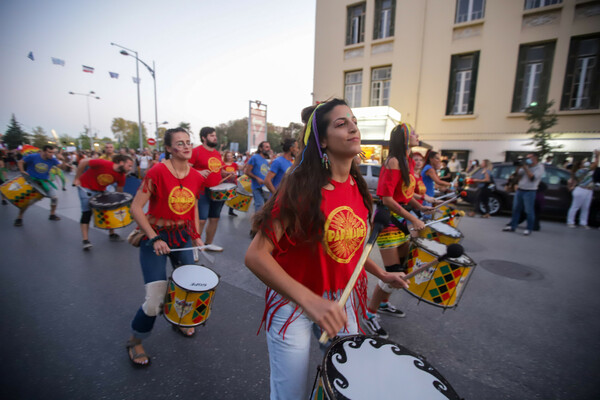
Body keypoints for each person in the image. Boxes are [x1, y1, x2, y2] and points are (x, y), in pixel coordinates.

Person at [245, 99, 409, 399]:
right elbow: (255, 256)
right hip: (291, 301)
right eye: (341, 123)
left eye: (354, 121)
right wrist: (310, 302)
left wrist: (382, 275)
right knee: (290, 394)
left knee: (351, 381)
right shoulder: (301, 187)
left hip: (340, 299)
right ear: (322, 140)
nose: (353, 127)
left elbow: (351, 248)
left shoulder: (359, 189)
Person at [126, 128, 206, 367]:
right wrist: (153, 238)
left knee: (188, 289)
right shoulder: (157, 171)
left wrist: (196, 236)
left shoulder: (195, 175)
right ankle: (135, 341)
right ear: (169, 149)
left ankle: (179, 321)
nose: (186, 146)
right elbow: (136, 208)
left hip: (182, 236)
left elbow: (192, 206)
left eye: (188, 142)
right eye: (179, 143)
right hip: (156, 236)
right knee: (155, 299)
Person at [364, 123, 432, 339]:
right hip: (388, 220)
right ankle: (369, 314)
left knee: (400, 269)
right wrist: (413, 217)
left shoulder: (407, 161)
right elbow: (387, 199)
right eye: (413, 132)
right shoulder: (393, 161)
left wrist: (419, 207)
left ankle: (383, 303)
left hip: (401, 220)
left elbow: (402, 193)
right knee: (394, 272)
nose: (417, 135)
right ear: (403, 137)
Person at [72, 154, 134, 249]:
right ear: (121, 162)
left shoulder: (121, 176)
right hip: (85, 187)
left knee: (109, 208)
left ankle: (112, 234)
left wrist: (117, 203)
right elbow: (83, 162)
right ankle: (85, 240)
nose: (130, 168)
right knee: (86, 212)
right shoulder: (103, 163)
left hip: (101, 189)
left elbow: (119, 190)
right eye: (129, 165)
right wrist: (76, 178)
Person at [189, 127, 225, 252]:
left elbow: (219, 170)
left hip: (217, 190)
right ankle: (194, 247)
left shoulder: (217, 153)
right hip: (202, 191)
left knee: (214, 218)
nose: (215, 137)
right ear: (204, 138)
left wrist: (225, 174)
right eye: (211, 135)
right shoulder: (196, 151)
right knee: (201, 219)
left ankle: (208, 244)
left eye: (215, 135)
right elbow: (185, 169)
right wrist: (198, 172)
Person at [14, 145, 61, 226]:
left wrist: (62, 159)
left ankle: (52, 214)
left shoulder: (53, 160)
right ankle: (19, 218)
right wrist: (22, 171)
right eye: (50, 152)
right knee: (27, 201)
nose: (51, 154)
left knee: (54, 198)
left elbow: (62, 167)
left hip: (44, 181)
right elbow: (20, 162)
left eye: (53, 152)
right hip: (32, 181)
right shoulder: (33, 156)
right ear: (44, 151)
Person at [503, 153, 545, 236]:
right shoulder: (525, 166)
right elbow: (518, 175)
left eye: (529, 158)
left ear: (535, 158)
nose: (527, 159)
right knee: (516, 209)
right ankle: (512, 226)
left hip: (530, 191)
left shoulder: (539, 167)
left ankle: (529, 229)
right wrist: (519, 167)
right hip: (520, 190)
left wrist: (525, 167)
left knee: (529, 211)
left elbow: (532, 178)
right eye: (527, 158)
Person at [567, 150, 598, 228]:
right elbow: (594, 165)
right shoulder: (581, 171)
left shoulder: (587, 171)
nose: (586, 163)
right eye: (584, 163)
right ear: (580, 165)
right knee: (575, 206)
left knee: (586, 207)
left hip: (589, 190)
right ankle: (570, 222)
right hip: (581, 190)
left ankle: (583, 223)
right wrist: (597, 156)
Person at [244, 141, 271, 213]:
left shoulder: (265, 160)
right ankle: (257, 223)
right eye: (266, 147)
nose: (268, 149)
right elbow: (247, 172)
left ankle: (263, 223)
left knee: (266, 208)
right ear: (260, 148)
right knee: (260, 206)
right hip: (257, 187)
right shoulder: (255, 157)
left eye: (269, 147)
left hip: (265, 187)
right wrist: (257, 178)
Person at [222, 150, 239, 216]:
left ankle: (231, 210)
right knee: (224, 197)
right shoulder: (223, 164)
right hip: (225, 183)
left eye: (230, 156)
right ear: (226, 156)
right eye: (228, 156)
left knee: (233, 197)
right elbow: (221, 172)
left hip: (233, 183)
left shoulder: (234, 164)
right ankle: (219, 209)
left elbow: (241, 168)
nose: (229, 157)